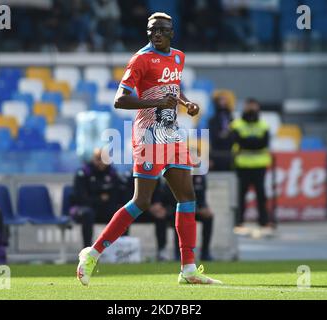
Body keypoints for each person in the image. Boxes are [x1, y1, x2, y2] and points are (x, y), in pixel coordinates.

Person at [76, 12, 222, 285]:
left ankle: (188, 269)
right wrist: (155, 105)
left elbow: (173, 89)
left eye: (162, 30)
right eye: (152, 30)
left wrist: (185, 104)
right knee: (142, 201)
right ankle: (93, 253)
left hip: (173, 134)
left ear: (171, 32)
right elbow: (121, 100)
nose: (156, 34)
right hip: (148, 136)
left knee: (188, 197)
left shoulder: (178, 57)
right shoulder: (141, 59)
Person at [230, 98, 273, 237]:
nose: (252, 110)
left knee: (261, 195)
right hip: (242, 164)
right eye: (249, 106)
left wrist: (248, 142)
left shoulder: (264, 124)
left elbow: (263, 143)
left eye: (254, 107)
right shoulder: (237, 124)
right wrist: (253, 142)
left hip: (259, 165)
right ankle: (239, 221)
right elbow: (238, 141)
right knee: (240, 195)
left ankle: (264, 222)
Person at [69, 148, 124, 247]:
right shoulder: (83, 173)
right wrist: (99, 198)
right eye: (99, 159)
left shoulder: (112, 173)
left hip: (104, 208)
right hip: (82, 208)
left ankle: (121, 248)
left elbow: (116, 194)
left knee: (123, 213)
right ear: (93, 159)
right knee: (88, 213)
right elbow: (81, 198)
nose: (102, 162)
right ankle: (87, 250)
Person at [209, 90, 235, 171]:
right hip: (216, 152)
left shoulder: (231, 118)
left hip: (229, 151)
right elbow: (212, 137)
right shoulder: (213, 119)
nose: (222, 102)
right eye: (220, 99)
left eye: (224, 99)